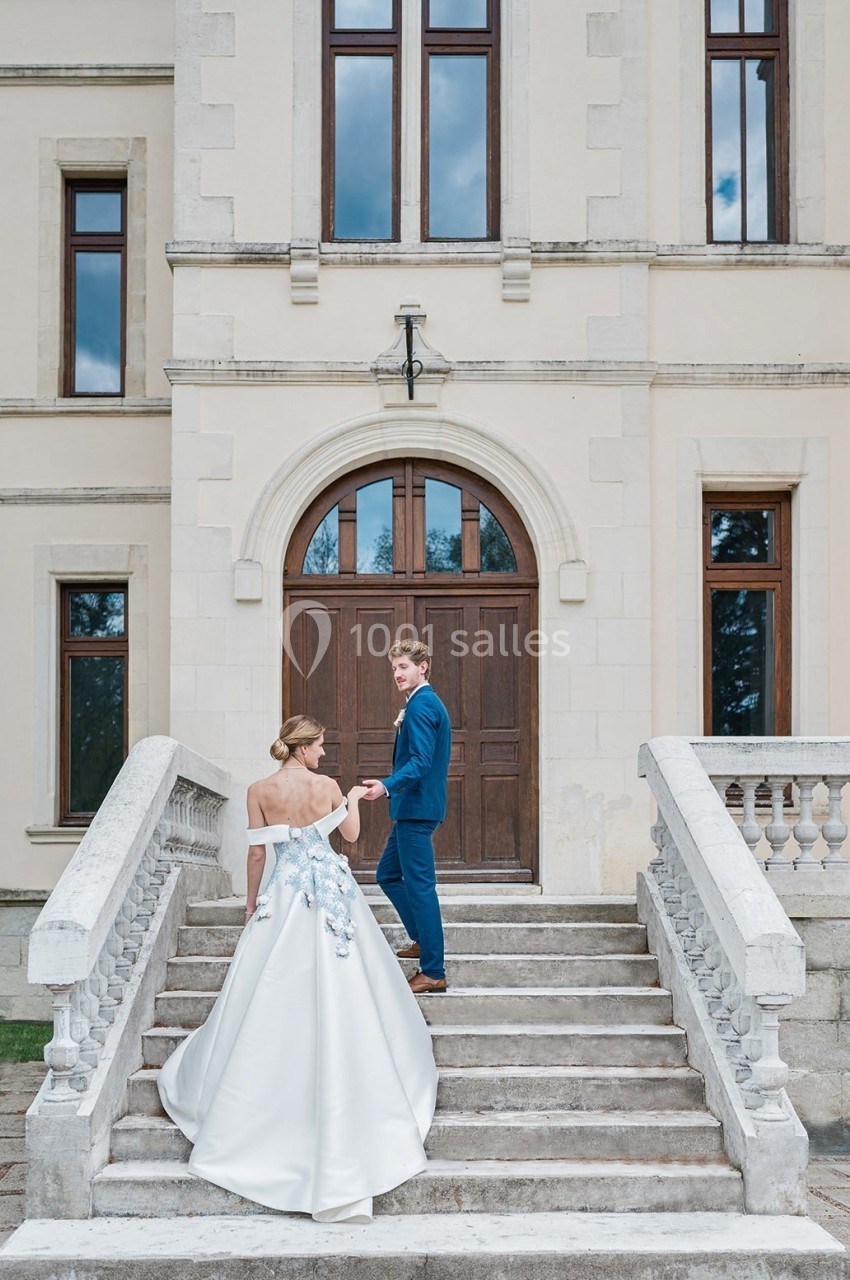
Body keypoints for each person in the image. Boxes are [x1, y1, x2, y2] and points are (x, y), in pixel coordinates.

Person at [157, 714, 438, 1224]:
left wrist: (250, 906)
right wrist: (351, 799)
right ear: (303, 747)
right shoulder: (328, 786)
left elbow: (258, 854)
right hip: (332, 890)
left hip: (285, 892)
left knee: (268, 985)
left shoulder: (260, 789)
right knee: (347, 981)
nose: (325, 755)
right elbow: (349, 837)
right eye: (321, 746)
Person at [362, 640, 452, 994]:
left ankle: (432, 969)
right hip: (411, 809)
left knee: (420, 886)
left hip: (417, 809)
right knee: (387, 874)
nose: (397, 674)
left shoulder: (422, 705)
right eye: (394, 668)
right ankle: (422, 937)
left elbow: (420, 762)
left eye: (403, 667)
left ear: (423, 667)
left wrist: (386, 786)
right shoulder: (418, 703)